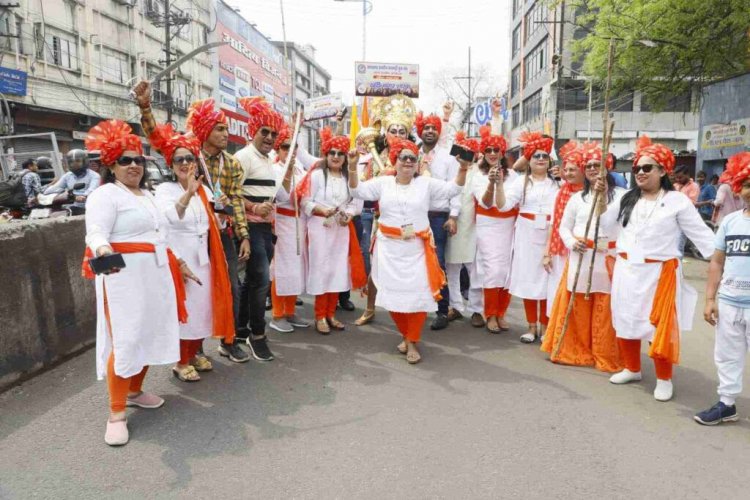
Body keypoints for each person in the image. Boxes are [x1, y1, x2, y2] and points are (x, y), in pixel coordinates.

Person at [82, 119, 197, 446]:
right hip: (124, 277)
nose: (133, 165)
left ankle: (134, 391)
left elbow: (161, 233)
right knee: (127, 338)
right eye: (125, 160)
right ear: (110, 165)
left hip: (158, 275)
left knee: (150, 332)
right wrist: (103, 248)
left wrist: (180, 261)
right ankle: (116, 412)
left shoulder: (147, 194)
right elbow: (96, 232)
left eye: (138, 160)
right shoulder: (105, 194)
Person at [134, 81, 250, 364]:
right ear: (205, 131)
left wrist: (243, 233)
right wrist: (145, 107)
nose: (226, 133)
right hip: (187, 236)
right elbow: (156, 136)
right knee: (195, 291)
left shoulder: (232, 164)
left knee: (231, 287)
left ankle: (228, 340)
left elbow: (234, 200)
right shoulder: (189, 151)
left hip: (220, 233)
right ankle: (191, 351)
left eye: (226, 128)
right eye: (220, 128)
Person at [600, 136, 714, 402]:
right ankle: (632, 368)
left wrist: (722, 262)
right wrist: (599, 197)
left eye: (647, 168)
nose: (640, 172)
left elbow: (702, 236)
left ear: (662, 170)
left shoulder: (677, 201)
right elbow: (607, 227)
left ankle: (664, 379)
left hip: (658, 274)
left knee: (657, 328)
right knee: (625, 320)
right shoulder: (627, 198)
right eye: (637, 168)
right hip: (627, 269)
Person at [349, 138, 470, 363]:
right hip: (389, 249)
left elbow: (453, 188)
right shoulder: (383, 183)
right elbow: (357, 191)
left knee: (419, 296)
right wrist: (352, 166)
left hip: (417, 249)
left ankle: (412, 340)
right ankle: (406, 334)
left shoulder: (425, 183)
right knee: (393, 297)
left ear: (417, 163)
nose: (407, 161)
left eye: (412, 158)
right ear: (394, 161)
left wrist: (463, 167)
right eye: (403, 157)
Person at [151, 124, 237, 381]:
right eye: (179, 159)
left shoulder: (205, 189)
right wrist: (188, 193)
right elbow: (169, 219)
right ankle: (180, 361)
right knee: (185, 312)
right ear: (171, 164)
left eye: (189, 157)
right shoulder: (165, 191)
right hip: (180, 256)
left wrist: (223, 211)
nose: (185, 163)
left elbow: (215, 224)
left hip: (204, 257)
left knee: (203, 308)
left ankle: (193, 353)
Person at [541, 142, 624, 372]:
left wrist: (602, 196)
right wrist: (570, 242)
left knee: (605, 310)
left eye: (597, 165)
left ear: (606, 167)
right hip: (581, 257)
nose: (591, 169)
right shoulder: (577, 199)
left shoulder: (622, 196)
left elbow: (617, 225)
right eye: (587, 166)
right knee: (578, 306)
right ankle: (577, 350)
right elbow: (563, 227)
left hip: (607, 258)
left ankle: (604, 353)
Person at [695, 152, 750, 425]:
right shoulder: (730, 222)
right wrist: (709, 299)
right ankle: (727, 404)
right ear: (739, 188)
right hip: (729, 300)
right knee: (727, 357)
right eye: (747, 183)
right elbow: (717, 261)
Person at [355, 94, 419, 326]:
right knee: (376, 265)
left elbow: (425, 184)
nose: (398, 135)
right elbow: (364, 187)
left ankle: (409, 313)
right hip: (382, 220)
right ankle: (370, 308)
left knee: (410, 267)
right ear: (385, 133)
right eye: (393, 130)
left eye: (403, 131)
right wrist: (381, 176)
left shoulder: (415, 158)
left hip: (411, 222)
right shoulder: (376, 158)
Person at [298, 128, 367, 334]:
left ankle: (331, 314)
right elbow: (305, 202)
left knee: (337, 269)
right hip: (320, 228)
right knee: (321, 269)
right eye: (332, 153)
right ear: (326, 155)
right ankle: (319, 316)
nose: (336, 157)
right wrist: (322, 210)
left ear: (346, 157)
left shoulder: (351, 177)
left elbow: (357, 202)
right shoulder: (317, 175)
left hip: (341, 229)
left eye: (340, 153)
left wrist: (349, 214)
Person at [234, 96, 287, 361]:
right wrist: (254, 208)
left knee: (253, 282)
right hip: (250, 229)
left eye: (273, 134)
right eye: (264, 132)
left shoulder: (270, 161)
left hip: (267, 229)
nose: (269, 137)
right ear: (252, 131)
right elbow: (229, 194)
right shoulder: (242, 157)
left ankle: (239, 330)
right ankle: (257, 335)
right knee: (261, 282)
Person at [497, 132, 559, 343]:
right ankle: (532, 327)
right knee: (529, 281)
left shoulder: (557, 184)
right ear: (529, 160)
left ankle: (546, 327)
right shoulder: (520, 183)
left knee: (548, 282)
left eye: (544, 156)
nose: (541, 159)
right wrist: (497, 185)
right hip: (526, 234)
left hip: (551, 235)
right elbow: (503, 205)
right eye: (536, 156)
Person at [416, 105, 459, 330]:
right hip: (414, 216)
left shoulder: (447, 157)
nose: (430, 131)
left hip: (437, 217)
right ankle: (416, 308)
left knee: (438, 263)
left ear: (439, 132)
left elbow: (455, 188)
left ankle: (443, 311)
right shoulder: (411, 153)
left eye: (434, 128)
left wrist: (453, 216)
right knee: (414, 263)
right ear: (420, 131)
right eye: (426, 127)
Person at [472, 126, 519, 334]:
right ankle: (489, 313)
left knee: (507, 270)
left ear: (502, 153)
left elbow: (510, 202)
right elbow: (486, 202)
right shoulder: (477, 175)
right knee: (492, 269)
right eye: (488, 150)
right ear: (484, 153)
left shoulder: (514, 176)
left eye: (496, 150)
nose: (492, 153)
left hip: (508, 225)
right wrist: (491, 184)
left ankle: (501, 313)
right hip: (487, 224)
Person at [268, 124, 311, 333]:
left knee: (296, 269)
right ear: (278, 149)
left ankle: (290, 311)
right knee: (282, 270)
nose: (290, 151)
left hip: (300, 223)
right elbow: (279, 196)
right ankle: (277, 314)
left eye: (293, 147)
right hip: (283, 223)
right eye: (285, 147)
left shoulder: (301, 169)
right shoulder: (274, 168)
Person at [446, 132, 485, 328]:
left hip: (473, 227)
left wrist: (495, 118)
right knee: (452, 269)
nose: (465, 156)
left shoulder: (480, 172)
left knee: (474, 270)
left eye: (470, 152)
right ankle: (456, 307)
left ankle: (477, 310)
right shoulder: (450, 169)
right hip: (452, 224)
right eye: (462, 152)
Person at [542, 141, 585, 319]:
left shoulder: (590, 194)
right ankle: (557, 332)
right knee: (557, 289)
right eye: (566, 170)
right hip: (560, 252)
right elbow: (554, 224)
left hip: (582, 251)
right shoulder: (560, 192)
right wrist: (547, 253)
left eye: (573, 170)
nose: (568, 173)